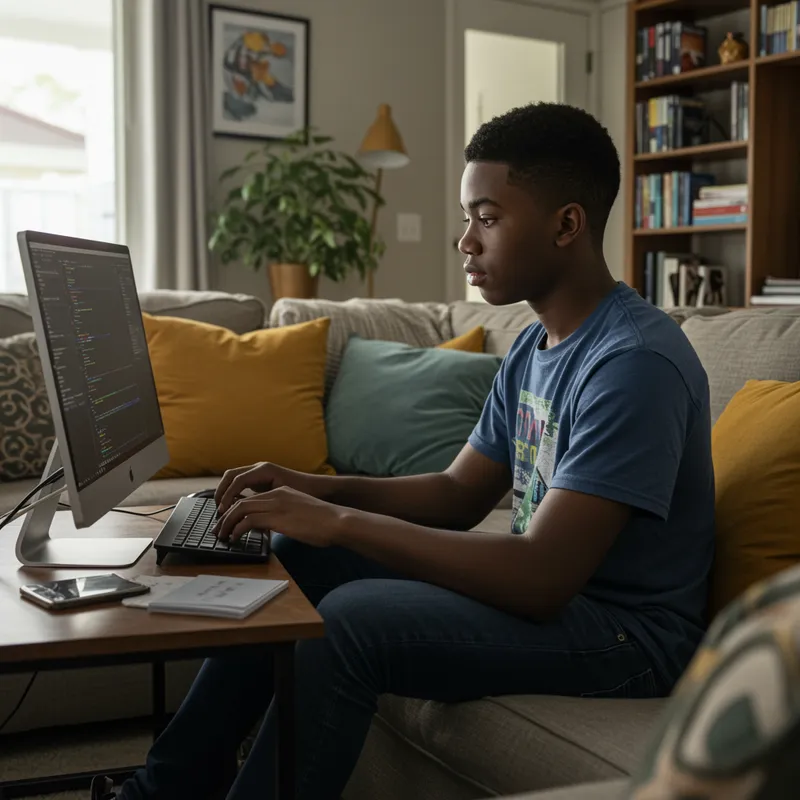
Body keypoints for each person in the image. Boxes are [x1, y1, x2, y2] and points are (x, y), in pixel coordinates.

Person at [92, 102, 715, 800]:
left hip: (627, 639)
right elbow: (455, 496)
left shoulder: (633, 362)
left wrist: (343, 520)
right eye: (467, 217)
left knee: (351, 624)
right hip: (564, 605)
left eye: (487, 217)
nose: (465, 242)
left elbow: (543, 577)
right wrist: (309, 491)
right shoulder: (536, 347)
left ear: (567, 224)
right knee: (303, 554)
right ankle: (163, 792)